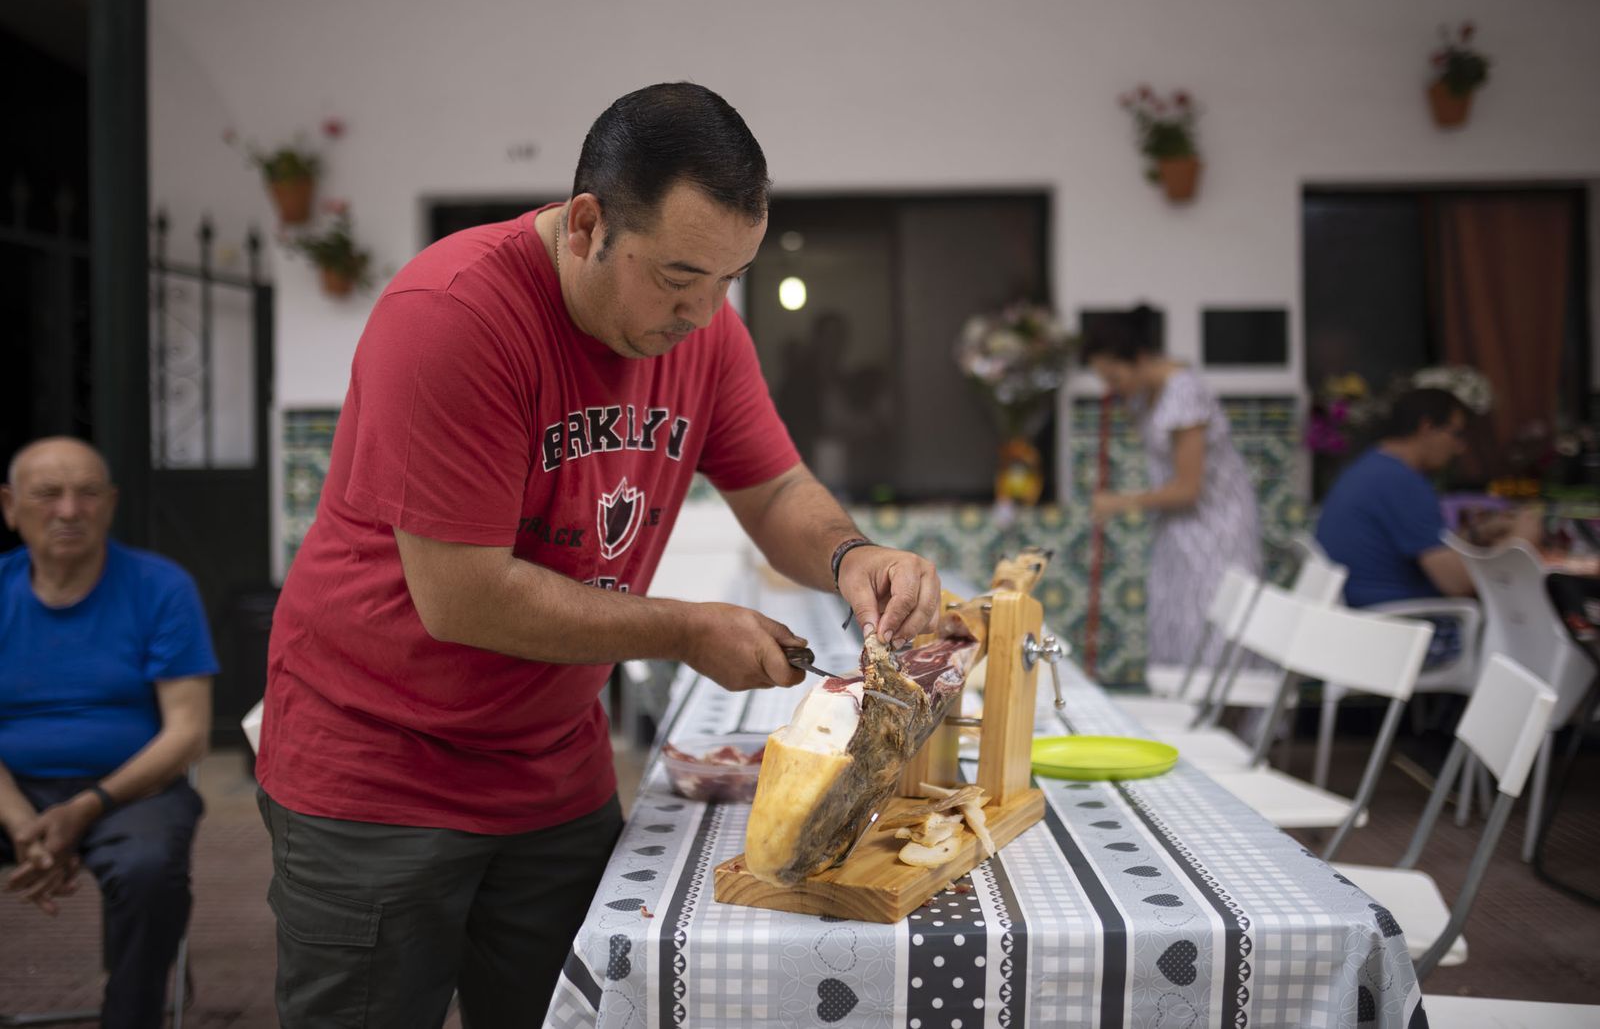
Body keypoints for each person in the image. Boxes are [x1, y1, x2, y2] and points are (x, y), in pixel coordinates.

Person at [255, 81, 940, 1027]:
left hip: (551, 772)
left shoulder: (704, 329)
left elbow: (777, 489)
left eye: (728, 281)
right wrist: (688, 629)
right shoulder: (453, 313)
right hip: (380, 774)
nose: (702, 314)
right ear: (586, 225)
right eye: (677, 278)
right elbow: (463, 597)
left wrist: (851, 555)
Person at [0, 437, 216, 1029]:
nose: (69, 510)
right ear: (9, 506)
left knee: (149, 868)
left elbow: (188, 733)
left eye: (87, 493)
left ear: (111, 504)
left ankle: (131, 1016)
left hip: (131, 789)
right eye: (47, 494)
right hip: (8, 791)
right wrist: (22, 822)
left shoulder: (161, 587)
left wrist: (86, 807)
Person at [1082, 306, 1262, 667]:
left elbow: (1187, 488)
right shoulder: (1145, 395)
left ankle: (1219, 724)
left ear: (1141, 358)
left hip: (1215, 530)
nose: (1112, 388)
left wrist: (1121, 503)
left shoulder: (1183, 392)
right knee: (1177, 633)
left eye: (1114, 376)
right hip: (1179, 531)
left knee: (1211, 642)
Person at [1315, 386, 1538, 608]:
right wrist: (1520, 543)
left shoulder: (1373, 466)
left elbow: (1423, 543)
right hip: (1398, 622)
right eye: (1456, 434)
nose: (1460, 448)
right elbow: (1457, 583)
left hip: (1359, 613)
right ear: (1427, 427)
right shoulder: (1400, 481)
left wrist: (1476, 534)